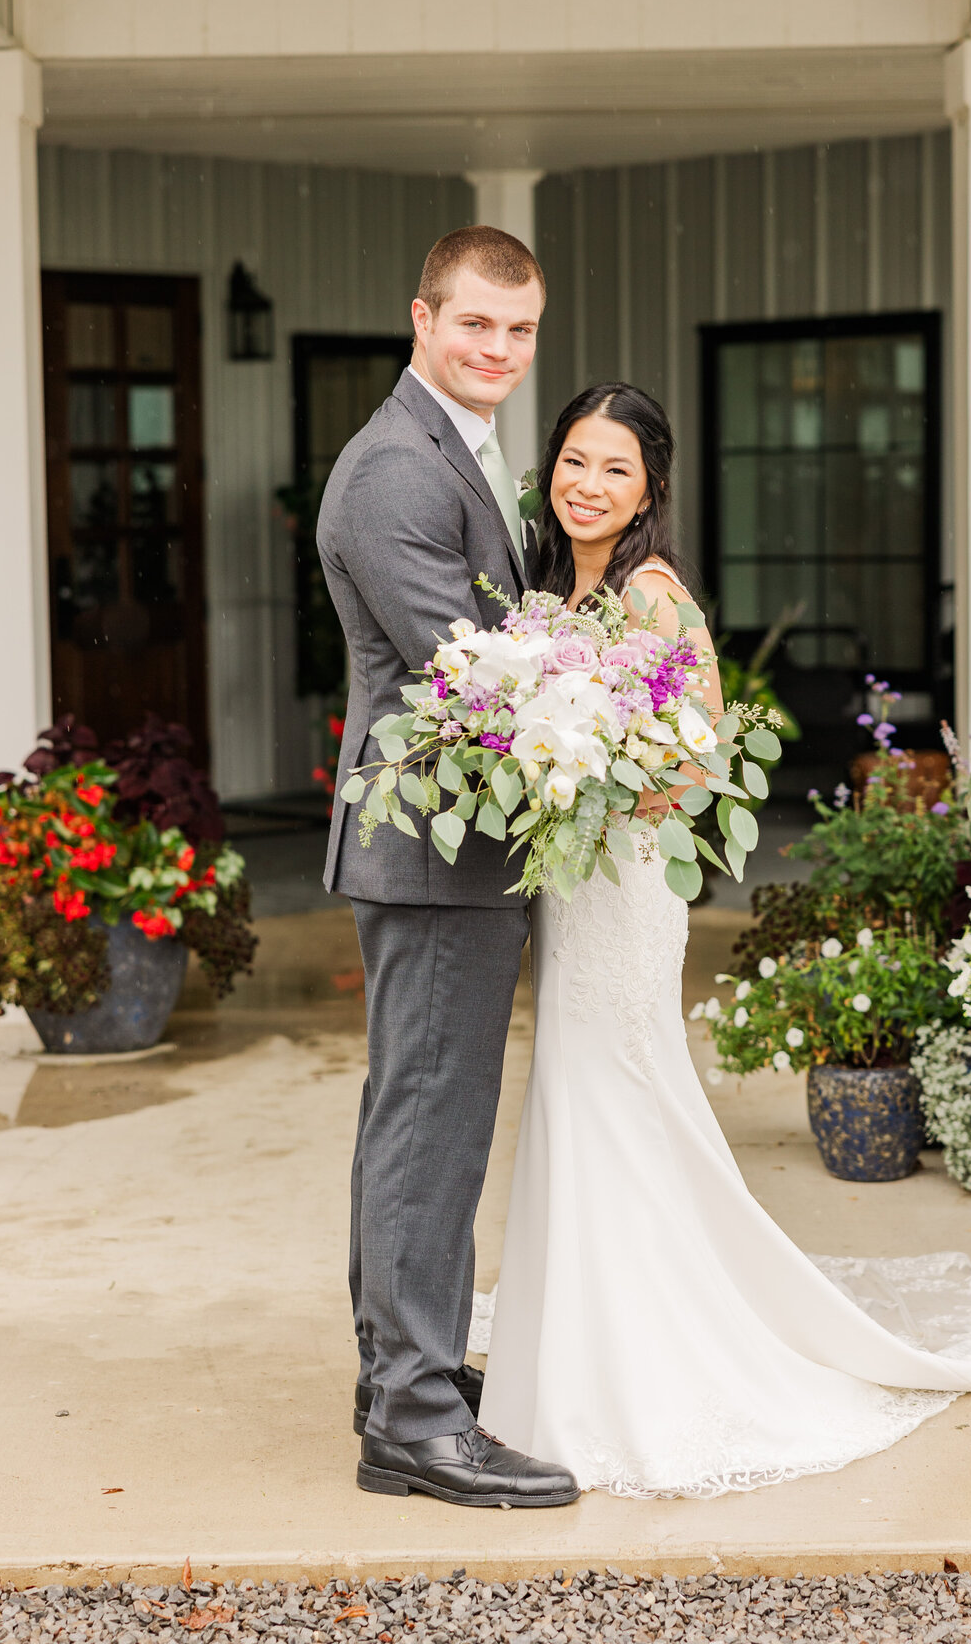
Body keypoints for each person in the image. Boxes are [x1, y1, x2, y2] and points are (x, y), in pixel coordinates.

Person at [475, 382, 971, 1498]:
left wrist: (579, 770)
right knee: (577, 1101)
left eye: (616, 470)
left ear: (652, 491)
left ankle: (636, 1372)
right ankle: (580, 1349)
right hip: (571, 886)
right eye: (575, 462)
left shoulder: (651, 597)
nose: (589, 485)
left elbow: (694, 766)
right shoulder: (549, 594)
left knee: (617, 1097)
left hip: (625, 886)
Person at [316, 227, 579, 1507]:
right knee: (430, 1127)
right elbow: (470, 673)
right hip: (431, 847)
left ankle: (402, 1380)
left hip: (460, 850)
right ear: (423, 317)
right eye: (477, 323)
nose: (499, 350)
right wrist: (605, 723)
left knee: (417, 1120)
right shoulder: (390, 472)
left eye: (520, 331)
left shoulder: (454, 452)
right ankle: (415, 1420)